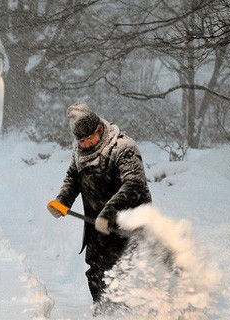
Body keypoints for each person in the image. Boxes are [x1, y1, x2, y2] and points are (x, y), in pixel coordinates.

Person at [47, 102, 152, 306]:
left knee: (124, 276)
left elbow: (134, 184)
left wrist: (109, 214)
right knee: (96, 274)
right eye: (81, 141)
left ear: (100, 130)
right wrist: (62, 201)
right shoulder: (79, 152)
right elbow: (73, 178)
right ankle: (103, 313)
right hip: (96, 226)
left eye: (89, 139)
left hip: (129, 225)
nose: (85, 144)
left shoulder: (123, 147)